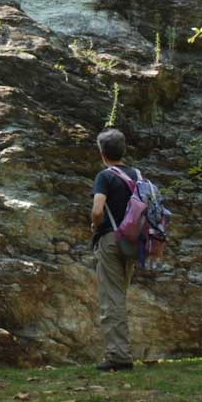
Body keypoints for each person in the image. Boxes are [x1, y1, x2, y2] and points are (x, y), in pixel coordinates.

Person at [90, 128, 139, 371]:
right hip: (133, 241)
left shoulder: (105, 176)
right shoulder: (137, 175)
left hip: (111, 240)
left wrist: (94, 223)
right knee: (120, 295)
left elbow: (98, 210)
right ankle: (121, 351)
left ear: (102, 153)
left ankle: (118, 356)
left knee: (112, 297)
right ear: (123, 150)